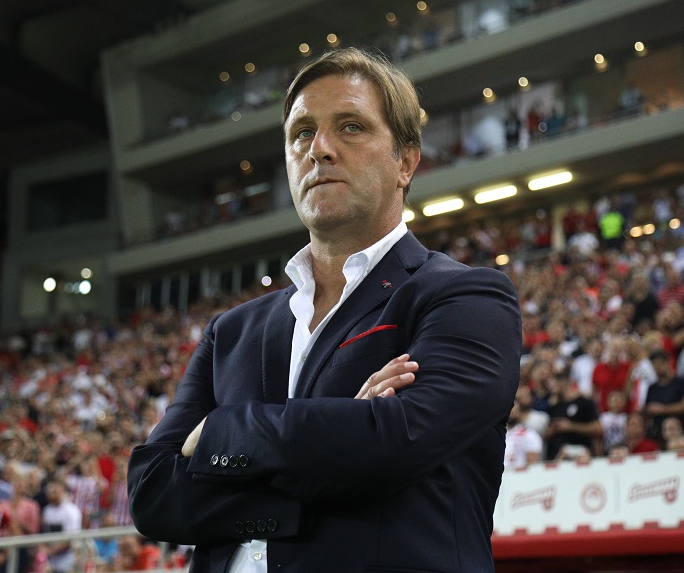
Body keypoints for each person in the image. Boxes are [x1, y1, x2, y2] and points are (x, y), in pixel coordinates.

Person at [128, 48, 522, 573]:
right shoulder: (232, 331)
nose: (319, 149)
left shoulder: (467, 296)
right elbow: (151, 493)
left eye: (351, 127)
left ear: (406, 162)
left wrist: (223, 434)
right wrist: (341, 440)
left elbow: (396, 441)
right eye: (302, 133)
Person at [40, 479, 83, 573]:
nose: (52, 494)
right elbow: (45, 533)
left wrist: (50, 550)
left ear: (62, 491)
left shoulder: (71, 510)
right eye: (50, 492)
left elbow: (70, 540)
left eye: (55, 491)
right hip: (52, 559)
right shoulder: (47, 510)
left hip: (69, 558)